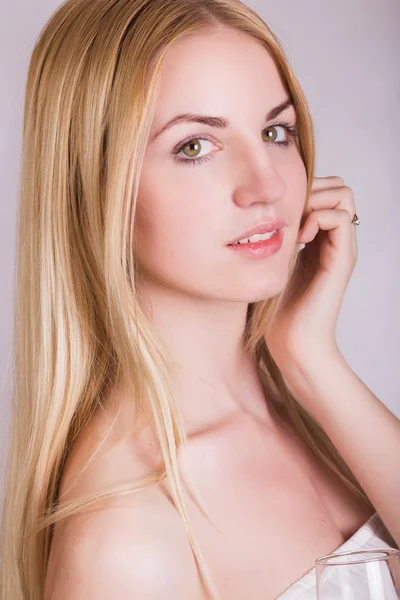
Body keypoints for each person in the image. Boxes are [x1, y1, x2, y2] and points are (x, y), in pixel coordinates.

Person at [1, 0, 399, 598]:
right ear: (94, 189)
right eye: (195, 147)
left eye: (275, 131)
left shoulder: (303, 412)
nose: (267, 185)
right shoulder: (125, 545)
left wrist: (310, 357)